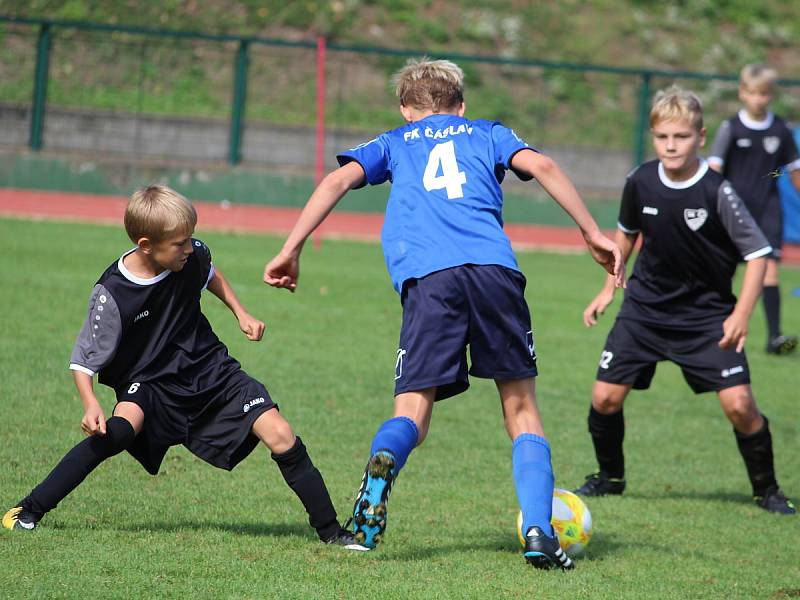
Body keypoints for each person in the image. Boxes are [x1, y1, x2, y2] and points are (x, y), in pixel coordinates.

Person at [263, 58, 624, 569]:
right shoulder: (487, 133)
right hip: (495, 273)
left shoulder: (394, 141)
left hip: (429, 278)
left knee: (412, 410)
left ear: (406, 109)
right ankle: (541, 532)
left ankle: (378, 482)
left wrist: (291, 247)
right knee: (521, 410)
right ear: (461, 105)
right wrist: (591, 231)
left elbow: (335, 181)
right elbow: (542, 166)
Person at [2, 185, 359, 546]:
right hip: (149, 381)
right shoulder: (113, 294)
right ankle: (28, 509)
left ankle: (333, 534)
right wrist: (90, 402)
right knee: (118, 433)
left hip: (211, 370)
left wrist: (241, 313)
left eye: (190, 238)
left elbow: (210, 274)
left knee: (281, 433)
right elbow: (83, 361)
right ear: (146, 245)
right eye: (179, 243)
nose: (190, 248)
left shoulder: (192, 256)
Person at [575, 86, 795, 515]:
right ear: (654, 138)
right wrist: (607, 288)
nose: (671, 145)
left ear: (701, 137)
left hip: (707, 319)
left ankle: (767, 490)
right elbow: (626, 236)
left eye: (681, 136)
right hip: (645, 313)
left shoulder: (717, 191)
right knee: (604, 399)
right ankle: (610, 477)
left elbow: (758, 256)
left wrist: (741, 315)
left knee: (740, 406)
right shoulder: (639, 181)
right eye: (662, 137)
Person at [708, 64, 800, 355]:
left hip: (768, 209)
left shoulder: (780, 130)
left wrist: (773, 176)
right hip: (733, 208)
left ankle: (775, 338)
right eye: (752, 93)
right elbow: (715, 169)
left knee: (770, 270)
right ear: (742, 93)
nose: (758, 99)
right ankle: (714, 328)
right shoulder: (731, 128)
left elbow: (790, 169)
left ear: (770, 95)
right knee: (726, 270)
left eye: (763, 94)